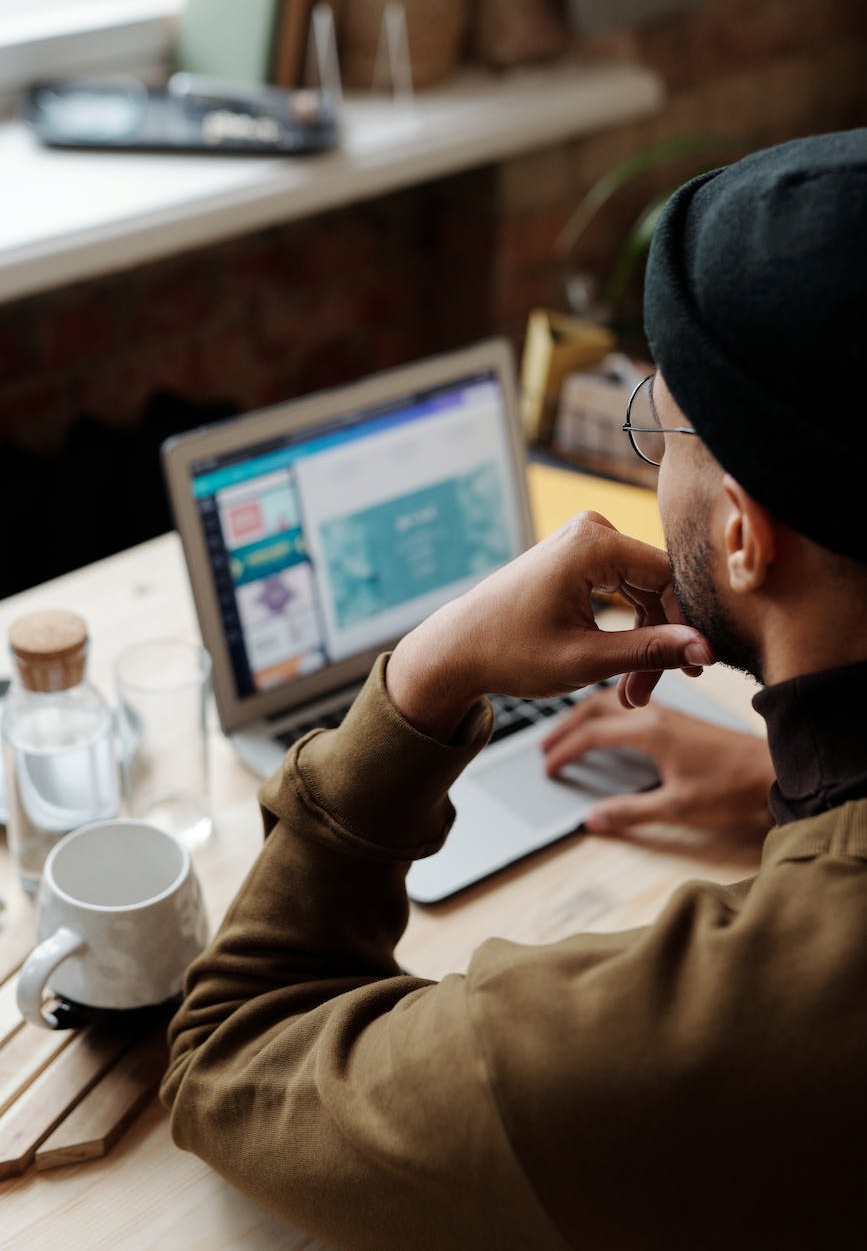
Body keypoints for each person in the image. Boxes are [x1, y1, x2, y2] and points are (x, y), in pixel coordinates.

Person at [161, 128, 867, 1250]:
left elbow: (230, 1055)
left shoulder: (682, 1039)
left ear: (743, 534)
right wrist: (787, 783)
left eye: (666, 428)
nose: (652, 467)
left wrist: (426, 672)